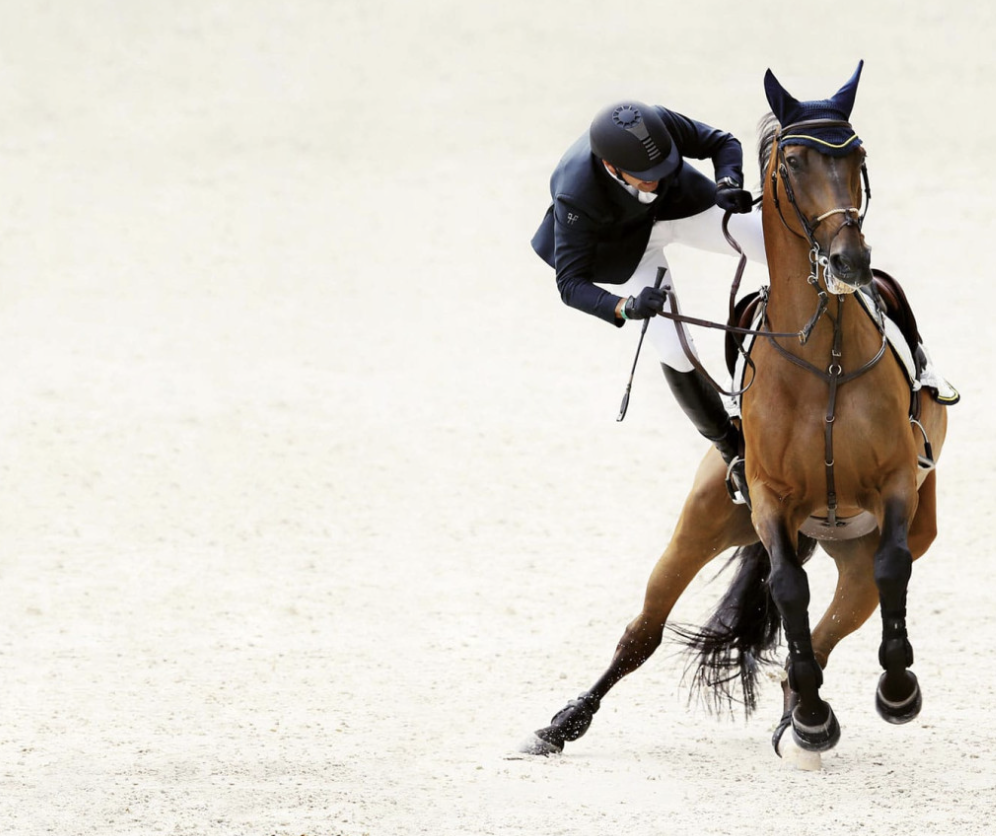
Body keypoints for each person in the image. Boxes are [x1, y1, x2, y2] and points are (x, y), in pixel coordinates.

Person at [531, 100, 767, 504]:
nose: (655, 183)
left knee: (775, 243)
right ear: (612, 167)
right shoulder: (577, 192)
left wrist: (727, 182)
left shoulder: (658, 123)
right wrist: (627, 305)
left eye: (661, 171)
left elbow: (722, 143)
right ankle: (733, 453)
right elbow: (570, 283)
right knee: (675, 349)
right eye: (645, 178)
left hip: (683, 210)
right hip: (628, 251)